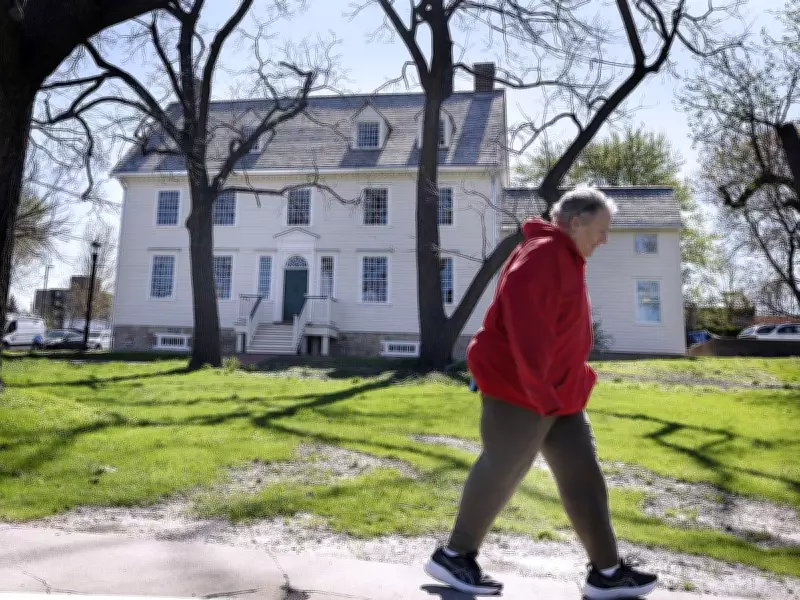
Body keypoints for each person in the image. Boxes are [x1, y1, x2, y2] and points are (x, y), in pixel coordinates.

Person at [424, 186, 658, 599]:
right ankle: (455, 555)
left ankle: (606, 571)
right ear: (575, 222)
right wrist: (540, 390)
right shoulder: (545, 253)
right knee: (504, 467)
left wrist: (572, 378)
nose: (605, 238)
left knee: (583, 474)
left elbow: (560, 329)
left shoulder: (565, 257)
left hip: (558, 391)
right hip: (524, 388)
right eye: (601, 229)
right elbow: (526, 326)